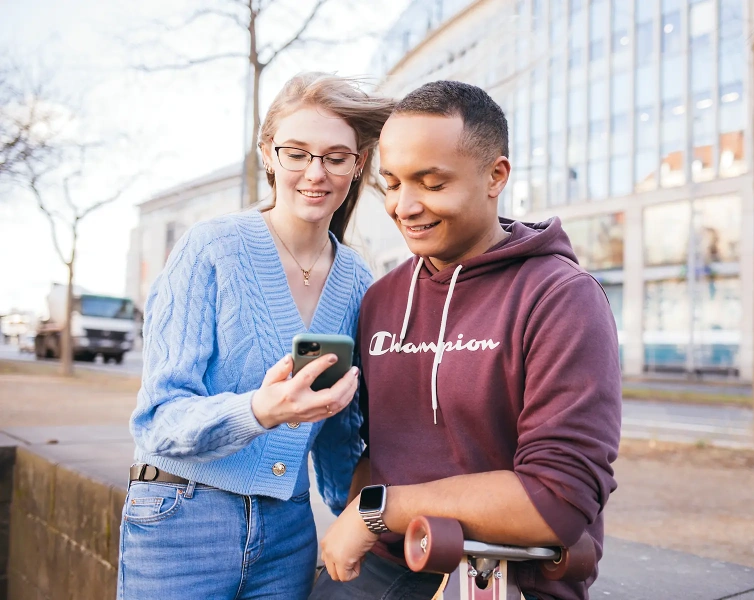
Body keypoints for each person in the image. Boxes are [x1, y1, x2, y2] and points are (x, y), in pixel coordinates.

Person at [311, 81, 622, 600]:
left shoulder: (561, 298)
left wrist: (376, 510)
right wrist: (360, 510)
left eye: (431, 183)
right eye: (391, 183)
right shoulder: (382, 298)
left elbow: (558, 499)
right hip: (379, 570)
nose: (404, 207)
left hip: (498, 579)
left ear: (495, 175)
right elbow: (373, 446)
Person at [118, 72, 394, 600]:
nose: (315, 173)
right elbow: (158, 420)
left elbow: (339, 435)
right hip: (182, 518)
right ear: (268, 154)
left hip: (288, 532)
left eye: (336, 157)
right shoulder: (210, 249)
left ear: (358, 164)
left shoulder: (359, 281)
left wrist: (360, 516)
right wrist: (261, 411)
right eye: (297, 153)